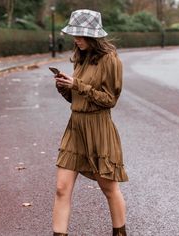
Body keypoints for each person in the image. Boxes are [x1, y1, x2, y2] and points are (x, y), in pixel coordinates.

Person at [52, 9, 128, 236]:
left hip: (99, 129)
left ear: (94, 36)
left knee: (109, 188)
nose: (76, 39)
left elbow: (109, 100)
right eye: (74, 34)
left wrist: (77, 86)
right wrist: (65, 88)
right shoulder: (80, 57)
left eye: (80, 35)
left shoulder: (110, 59)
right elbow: (78, 99)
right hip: (75, 128)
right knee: (61, 188)